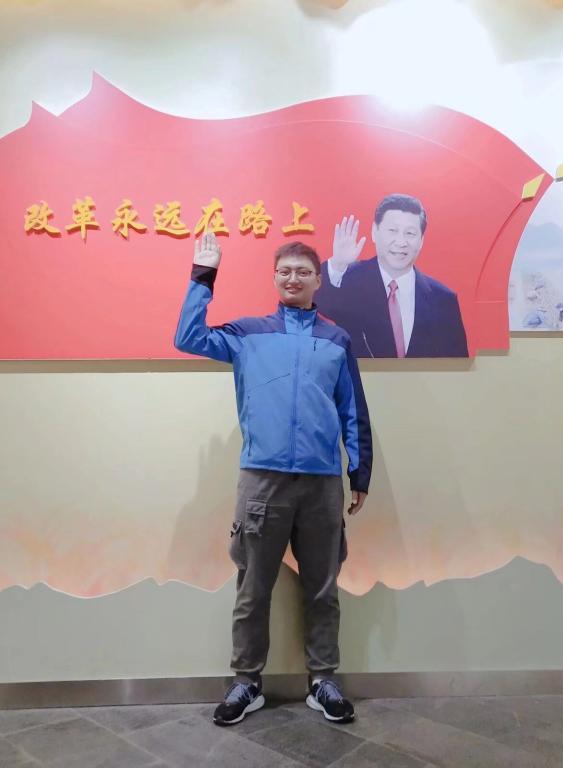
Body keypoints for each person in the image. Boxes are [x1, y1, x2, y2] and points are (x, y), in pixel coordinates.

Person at [174, 232, 373, 727]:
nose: (293, 278)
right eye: (285, 270)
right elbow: (188, 338)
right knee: (253, 588)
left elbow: (352, 408)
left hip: (321, 483)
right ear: (275, 277)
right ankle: (246, 682)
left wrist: (359, 470)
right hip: (262, 481)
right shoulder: (248, 333)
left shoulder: (336, 340)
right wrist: (203, 276)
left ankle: (322, 681)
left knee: (322, 588)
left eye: (303, 271)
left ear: (318, 279)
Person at [314, 193, 469, 358]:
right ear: (375, 232)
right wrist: (338, 264)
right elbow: (313, 304)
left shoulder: (443, 300)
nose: (401, 242)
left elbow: (457, 365)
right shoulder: (347, 282)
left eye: (410, 233)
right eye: (392, 231)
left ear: (421, 240)